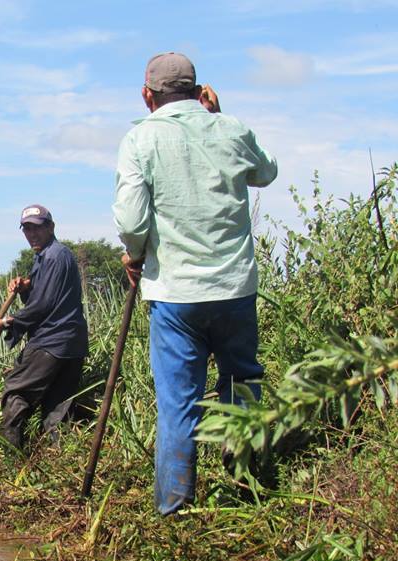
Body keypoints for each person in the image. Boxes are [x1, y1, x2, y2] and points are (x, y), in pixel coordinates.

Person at [113, 52, 278, 515]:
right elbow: (265, 173)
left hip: (175, 296)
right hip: (235, 289)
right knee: (241, 386)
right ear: (199, 90)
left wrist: (135, 253)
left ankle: (175, 511)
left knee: (178, 404)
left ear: (147, 95)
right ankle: (245, 489)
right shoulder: (231, 128)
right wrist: (220, 116)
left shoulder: (140, 139)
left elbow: (130, 218)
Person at [0, 205, 88, 452]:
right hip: (71, 343)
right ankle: (58, 465)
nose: (32, 234)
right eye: (27, 229)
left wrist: (8, 322)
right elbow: (43, 296)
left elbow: (43, 304)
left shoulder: (54, 256)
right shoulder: (46, 256)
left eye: (38, 228)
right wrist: (26, 288)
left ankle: (12, 462)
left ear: (51, 227)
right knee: (57, 408)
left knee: (16, 393)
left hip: (51, 341)